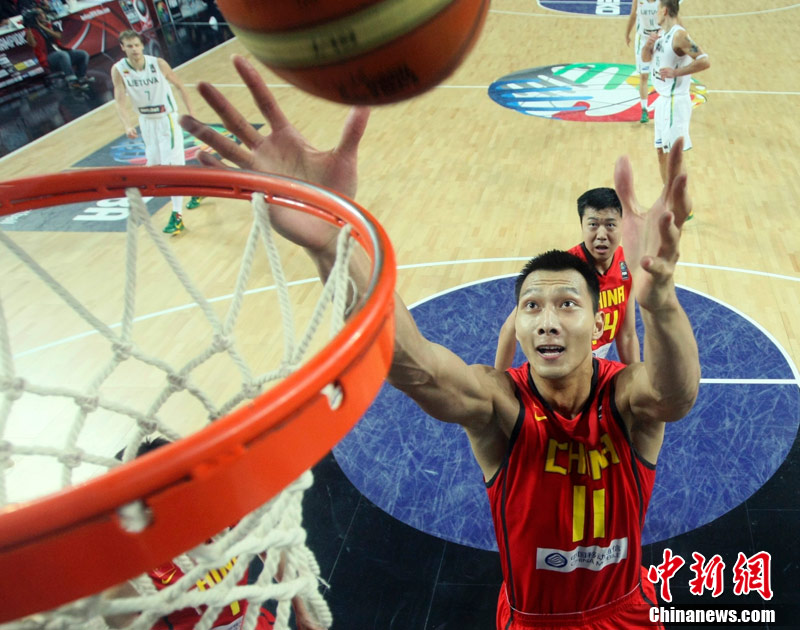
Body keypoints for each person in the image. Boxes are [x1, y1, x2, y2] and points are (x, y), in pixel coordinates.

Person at [180, 55, 700, 630]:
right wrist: (335, 242)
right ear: (518, 326)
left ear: (598, 319)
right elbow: (414, 365)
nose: (547, 321)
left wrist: (659, 301)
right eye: (531, 306)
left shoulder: (626, 398)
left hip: (625, 614)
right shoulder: (500, 405)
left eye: (567, 305)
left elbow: (675, 395)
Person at [105, 437, 325, 630]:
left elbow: (272, 549)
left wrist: (302, 610)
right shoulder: (137, 570)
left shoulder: (219, 516)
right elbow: (118, 616)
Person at [495, 187, 640, 371]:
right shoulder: (562, 272)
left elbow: (627, 335)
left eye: (610, 225)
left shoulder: (627, 264)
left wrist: (637, 378)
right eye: (593, 225)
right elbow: (510, 328)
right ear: (582, 226)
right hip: (561, 366)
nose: (601, 235)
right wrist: (499, 379)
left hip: (591, 367)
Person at [111, 30, 196, 235]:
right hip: (146, 122)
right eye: (129, 46)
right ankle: (195, 189)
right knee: (155, 167)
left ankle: (177, 216)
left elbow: (180, 86)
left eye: (136, 45)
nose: (134, 49)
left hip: (167, 119)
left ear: (142, 45)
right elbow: (119, 100)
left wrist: (191, 115)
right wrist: (127, 125)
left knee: (171, 169)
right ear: (123, 48)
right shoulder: (119, 69)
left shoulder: (158, 64)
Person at [642, 0, 710, 189]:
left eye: (657, 10)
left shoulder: (679, 35)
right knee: (661, 152)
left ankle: (681, 201)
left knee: (675, 156)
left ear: (664, 11)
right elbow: (646, 60)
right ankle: (668, 197)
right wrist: (647, 47)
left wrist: (677, 72)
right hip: (662, 101)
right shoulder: (661, 34)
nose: (655, 13)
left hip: (675, 102)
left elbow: (704, 61)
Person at [23, 7, 90, 90]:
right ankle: (72, 81)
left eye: (42, 13)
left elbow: (59, 36)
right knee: (62, 55)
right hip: (48, 58)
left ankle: (81, 76)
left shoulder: (49, 25)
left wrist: (42, 26)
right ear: (35, 18)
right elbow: (32, 44)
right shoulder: (32, 31)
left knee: (83, 54)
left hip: (60, 52)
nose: (42, 15)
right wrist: (29, 28)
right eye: (38, 15)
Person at [625, 0, 660, 123]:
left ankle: (665, 106)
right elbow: (633, 14)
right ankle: (644, 109)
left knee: (661, 74)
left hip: (659, 38)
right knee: (644, 76)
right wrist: (627, 33)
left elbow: (669, 17)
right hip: (643, 39)